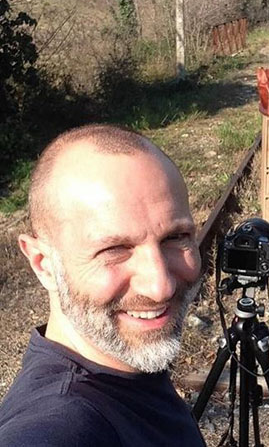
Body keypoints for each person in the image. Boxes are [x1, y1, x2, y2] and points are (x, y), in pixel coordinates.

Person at [0, 124, 206, 446]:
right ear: (44, 264)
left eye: (176, 237)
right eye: (113, 250)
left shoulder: (120, 366)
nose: (160, 287)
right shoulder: (62, 426)